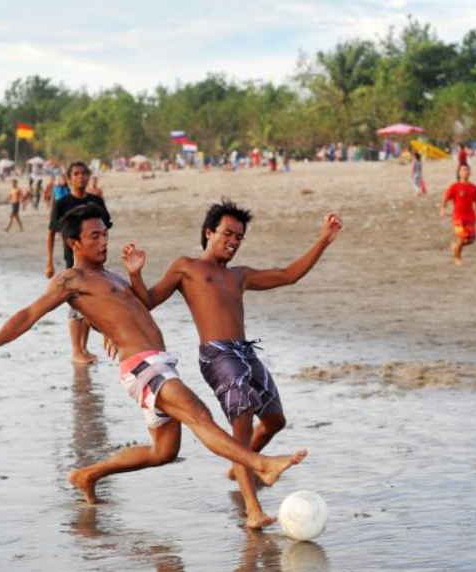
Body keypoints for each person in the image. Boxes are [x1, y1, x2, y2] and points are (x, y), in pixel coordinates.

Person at [0, 204, 307, 506]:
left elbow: (129, 310)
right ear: (73, 243)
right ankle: (260, 464)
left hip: (157, 361)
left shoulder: (112, 276)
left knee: (163, 452)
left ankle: (88, 475)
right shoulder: (71, 280)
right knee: (198, 413)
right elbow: (29, 314)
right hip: (143, 367)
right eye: (94, 236)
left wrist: (129, 286)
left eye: (104, 234)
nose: (103, 240)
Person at [123, 201, 342, 529]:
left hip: (245, 353)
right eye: (227, 233)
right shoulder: (187, 267)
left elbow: (288, 276)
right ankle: (253, 510)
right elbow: (149, 301)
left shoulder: (239, 276)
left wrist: (323, 240)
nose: (233, 241)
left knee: (274, 420)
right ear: (209, 233)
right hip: (217, 355)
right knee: (241, 426)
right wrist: (135, 274)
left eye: (239, 237)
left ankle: (238, 466)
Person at [47, 162, 110, 364]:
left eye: (83, 173)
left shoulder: (96, 201)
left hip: (95, 260)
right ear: (69, 177)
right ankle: (77, 349)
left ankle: (84, 347)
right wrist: (49, 261)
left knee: (89, 301)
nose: (80, 177)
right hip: (73, 260)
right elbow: (51, 231)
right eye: (76, 174)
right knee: (76, 300)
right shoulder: (62, 202)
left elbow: (105, 227)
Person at [439, 164, 476, 265]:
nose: (465, 171)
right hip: (458, 217)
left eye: (467, 170)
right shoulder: (454, 187)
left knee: (471, 239)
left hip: (470, 216)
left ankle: (455, 246)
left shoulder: (473, 187)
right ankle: (457, 259)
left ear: (470, 172)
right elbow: (445, 198)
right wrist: (443, 209)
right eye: (463, 170)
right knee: (461, 237)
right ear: (459, 173)